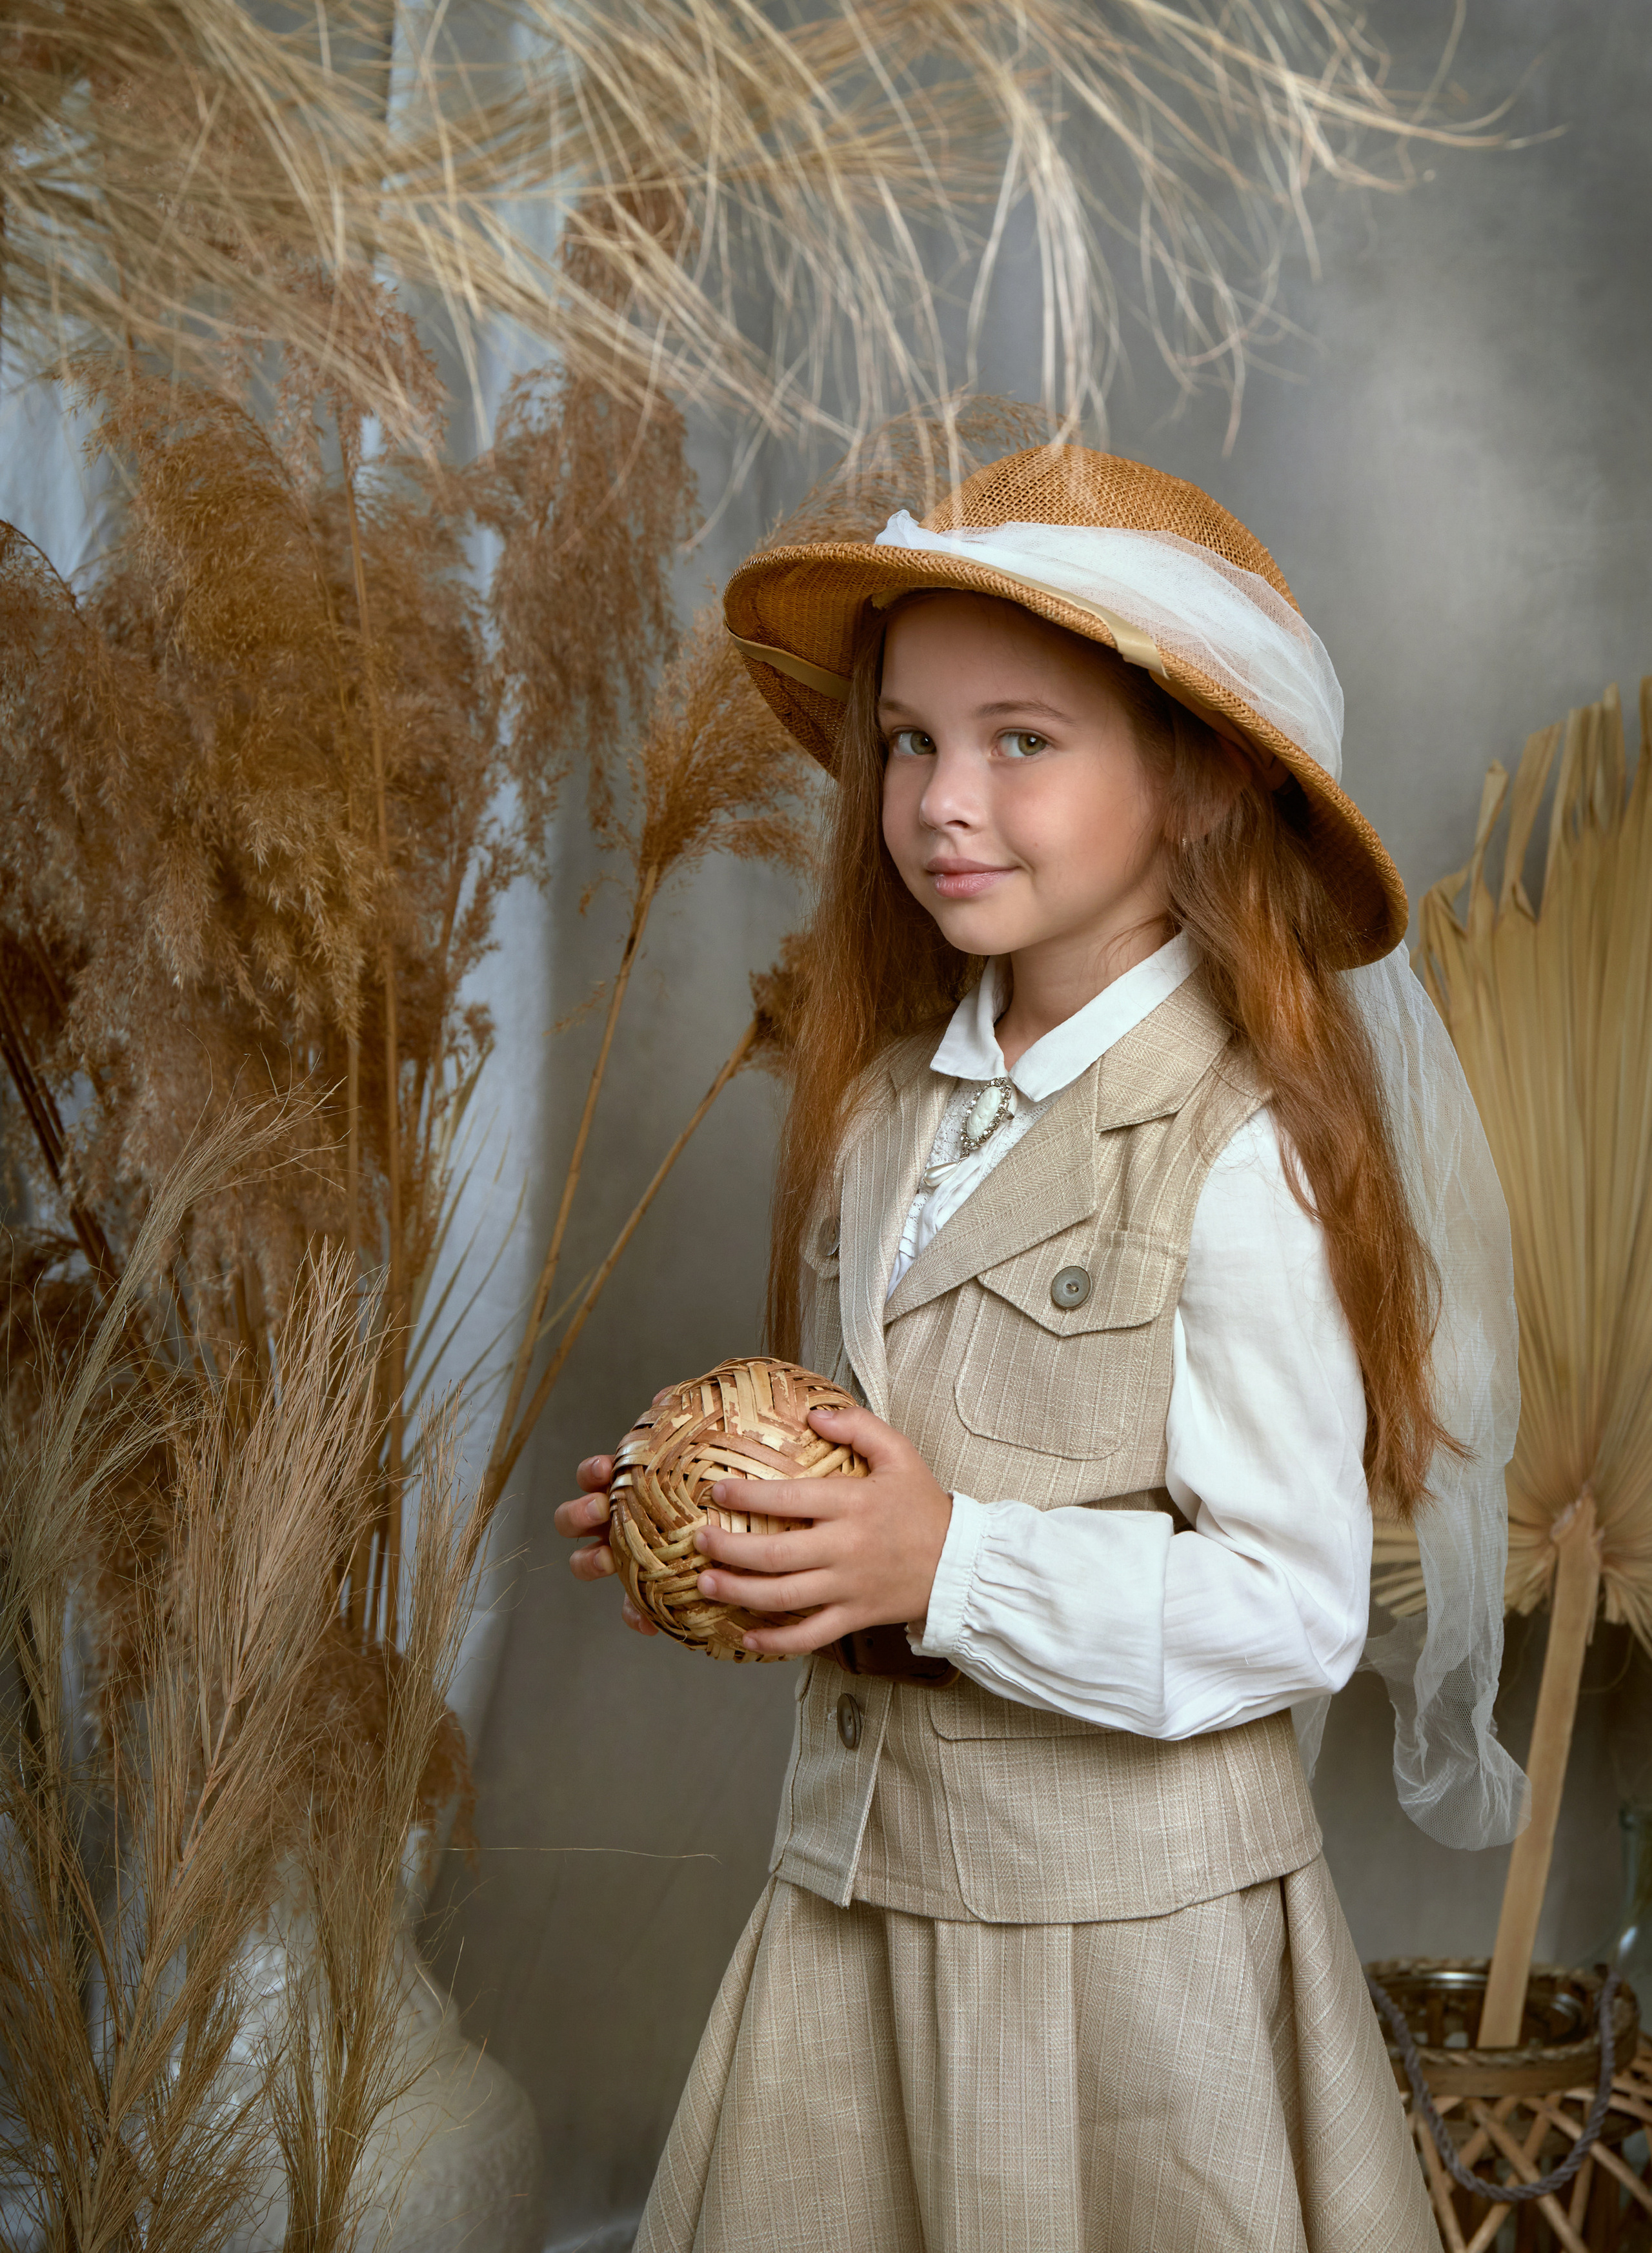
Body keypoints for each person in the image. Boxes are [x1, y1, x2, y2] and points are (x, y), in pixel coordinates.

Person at [556, 448, 1522, 2252]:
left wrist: (947, 1560)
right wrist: (744, 1539)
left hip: (1120, 1971)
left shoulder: (1236, 1150)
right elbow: (898, 1456)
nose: (939, 798)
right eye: (909, 739)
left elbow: (1296, 1602)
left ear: (1198, 774)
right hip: (853, 1912)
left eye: (1020, 740)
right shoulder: (880, 1117)